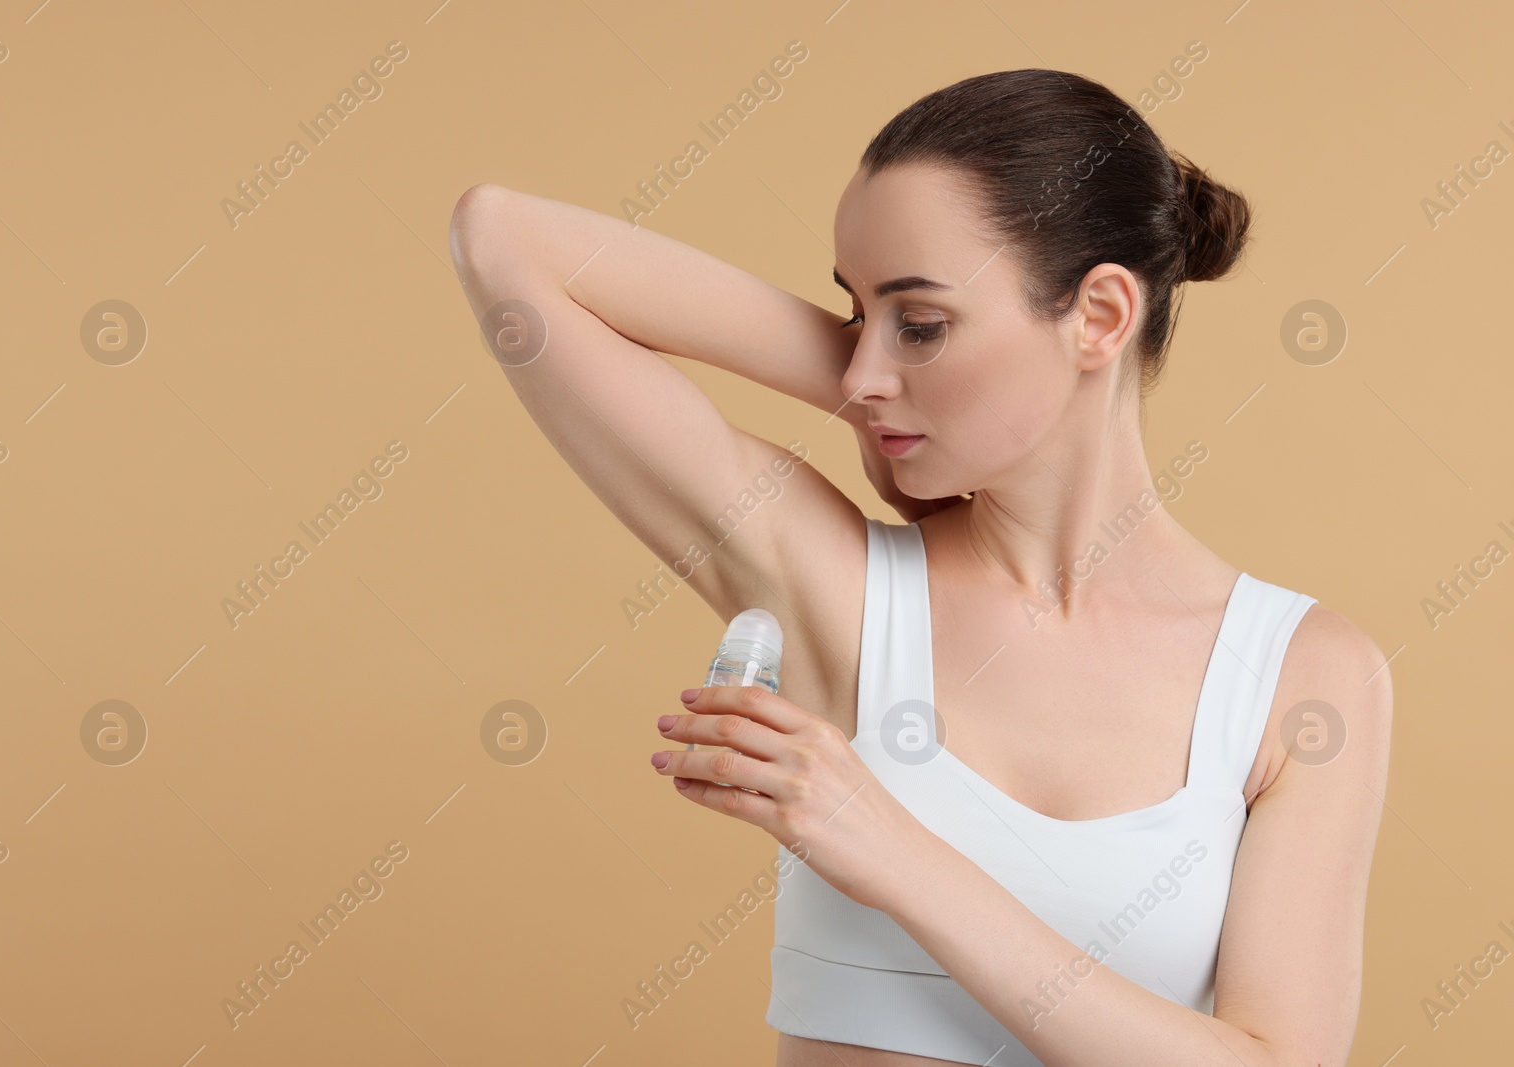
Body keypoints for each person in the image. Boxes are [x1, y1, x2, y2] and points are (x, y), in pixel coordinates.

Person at [449, 68, 1391, 1067]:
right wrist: (889, 396)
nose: (860, 368)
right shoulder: (841, 590)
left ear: (1101, 316)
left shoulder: (1304, 676)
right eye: (854, 313)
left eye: (922, 323)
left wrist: (891, 851)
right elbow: (503, 238)